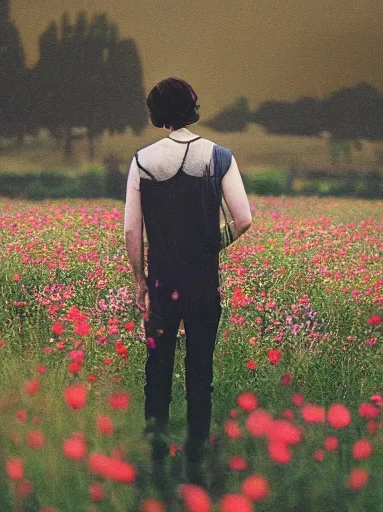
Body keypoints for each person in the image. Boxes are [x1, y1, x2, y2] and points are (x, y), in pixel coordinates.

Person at [123, 77, 252, 486]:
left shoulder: (143, 160)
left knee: (157, 370)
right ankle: (196, 456)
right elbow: (244, 219)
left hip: (161, 285)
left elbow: (131, 231)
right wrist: (212, 245)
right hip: (202, 285)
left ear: (157, 112)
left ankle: (156, 453)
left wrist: (140, 279)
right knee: (200, 373)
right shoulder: (220, 157)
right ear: (192, 107)